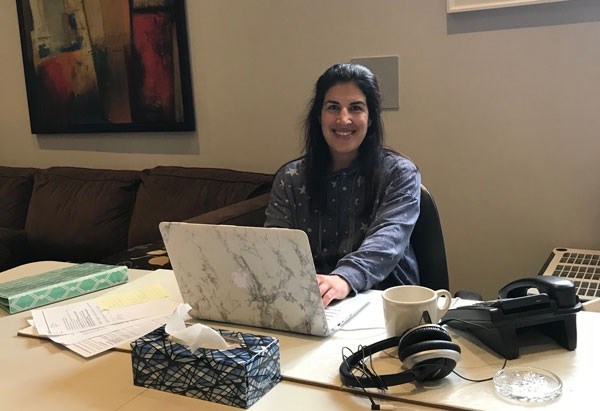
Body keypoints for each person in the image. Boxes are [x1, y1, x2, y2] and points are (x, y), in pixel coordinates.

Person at [265, 63, 421, 307]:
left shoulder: (399, 174)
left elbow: (387, 241)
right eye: (333, 107)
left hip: (385, 304)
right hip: (314, 303)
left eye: (356, 108)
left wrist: (342, 279)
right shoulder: (290, 177)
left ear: (370, 118)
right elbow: (276, 249)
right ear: (319, 116)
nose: (343, 118)